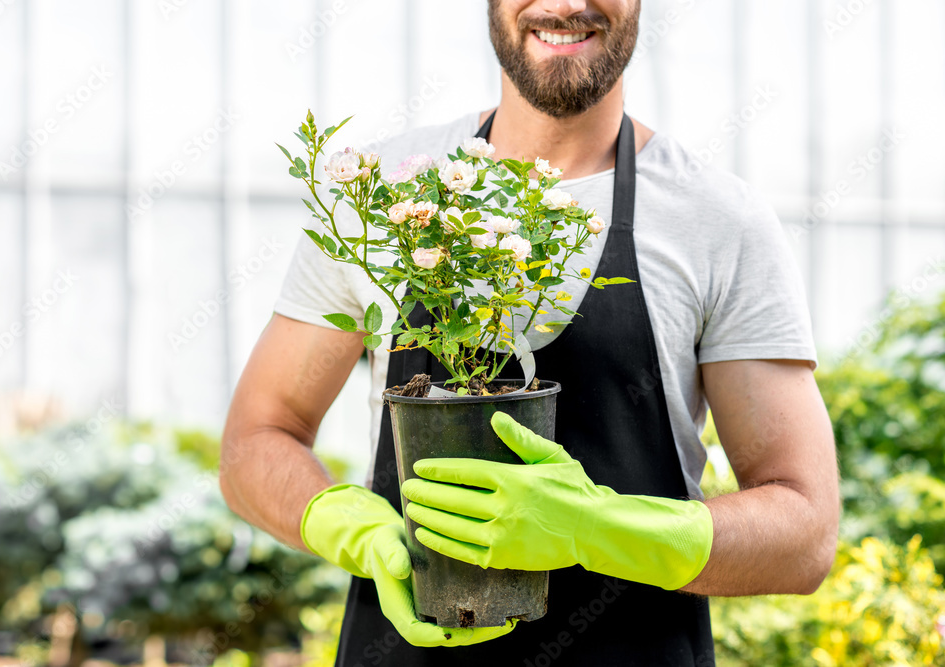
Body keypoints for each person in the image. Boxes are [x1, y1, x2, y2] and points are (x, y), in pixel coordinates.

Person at [220, 1, 840, 664]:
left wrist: (597, 529)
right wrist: (346, 523)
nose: (566, 3)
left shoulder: (717, 219)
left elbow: (804, 532)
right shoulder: (381, 198)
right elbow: (255, 442)